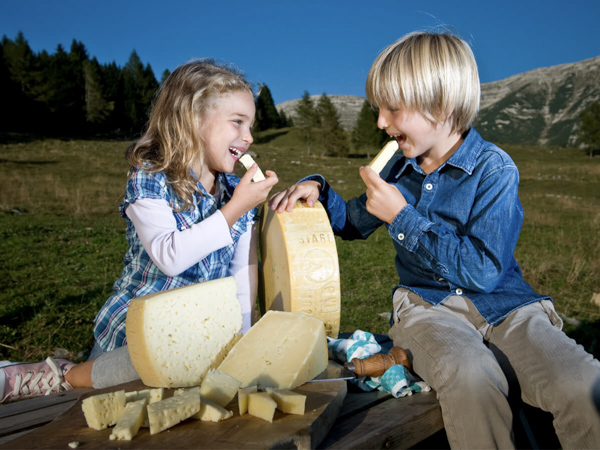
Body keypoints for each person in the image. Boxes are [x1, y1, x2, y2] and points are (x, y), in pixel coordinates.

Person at [269, 31, 600, 448]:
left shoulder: (496, 170)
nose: (380, 123)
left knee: (584, 384)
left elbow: (482, 270)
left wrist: (402, 216)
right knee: (471, 375)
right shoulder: (397, 170)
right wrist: (319, 191)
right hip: (428, 309)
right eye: (377, 109)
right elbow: (352, 222)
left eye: (392, 109)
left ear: (439, 106)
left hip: (507, 306)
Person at [1, 59, 278, 402]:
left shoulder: (235, 191)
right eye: (237, 122)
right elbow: (169, 256)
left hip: (193, 338)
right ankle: (61, 374)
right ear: (192, 119)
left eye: (251, 125)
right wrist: (236, 208)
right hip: (130, 339)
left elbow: (241, 273)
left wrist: (241, 341)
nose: (248, 137)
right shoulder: (152, 175)